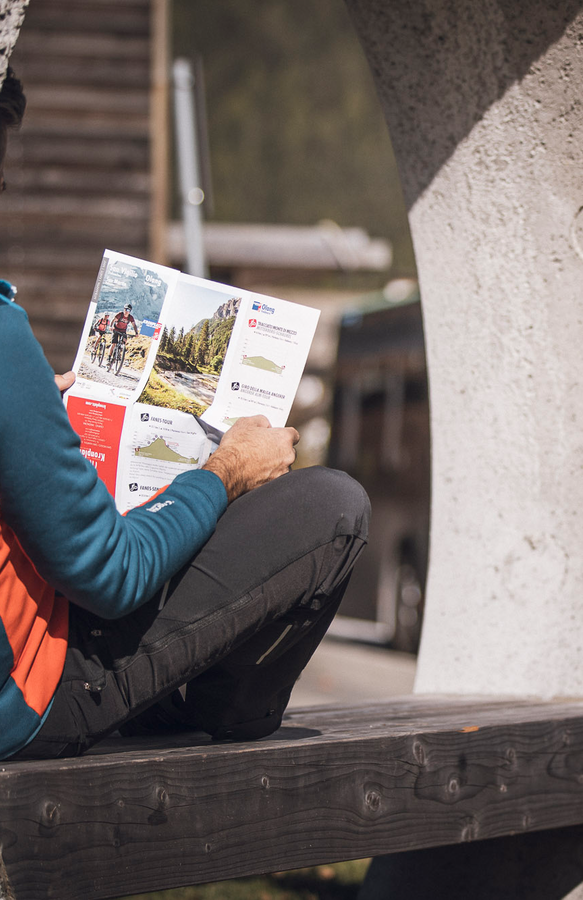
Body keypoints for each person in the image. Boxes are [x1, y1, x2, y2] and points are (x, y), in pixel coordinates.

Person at [0, 68, 370, 759]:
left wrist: (32, 421)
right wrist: (226, 471)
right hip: (32, 698)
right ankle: (209, 712)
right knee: (331, 507)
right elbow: (109, 574)